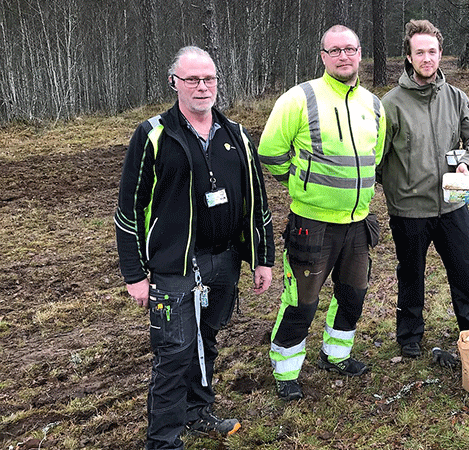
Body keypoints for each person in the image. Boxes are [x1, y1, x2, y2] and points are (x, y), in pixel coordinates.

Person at [115, 46, 275, 449]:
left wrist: (262, 258)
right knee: (174, 354)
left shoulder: (235, 133)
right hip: (174, 267)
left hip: (223, 261)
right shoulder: (153, 135)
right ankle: (164, 440)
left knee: (207, 340)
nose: (202, 87)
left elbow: (256, 201)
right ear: (175, 83)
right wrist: (134, 274)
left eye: (209, 79)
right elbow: (128, 209)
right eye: (192, 79)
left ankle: (198, 412)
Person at [258, 25, 386, 401]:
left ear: (361, 53)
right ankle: (285, 371)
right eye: (335, 51)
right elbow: (270, 152)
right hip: (311, 224)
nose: (343, 56)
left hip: (358, 223)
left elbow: (374, 158)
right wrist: (302, 184)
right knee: (302, 302)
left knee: (353, 296)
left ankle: (337, 356)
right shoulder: (299, 98)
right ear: (323, 56)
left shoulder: (374, 106)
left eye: (350, 49)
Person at [379, 20, 469, 365]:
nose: (427, 58)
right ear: (408, 58)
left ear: (441, 54)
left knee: (463, 268)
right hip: (409, 210)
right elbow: (376, 157)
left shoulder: (456, 98)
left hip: (453, 204)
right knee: (410, 273)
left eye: (432, 52)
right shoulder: (390, 105)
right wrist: (400, 183)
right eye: (419, 52)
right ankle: (409, 337)